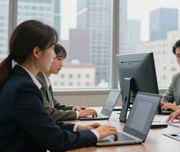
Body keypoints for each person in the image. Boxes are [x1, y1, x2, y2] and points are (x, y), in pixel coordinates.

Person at [0, 20, 118, 151]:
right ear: (37, 52)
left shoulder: (18, 80)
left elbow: (44, 124)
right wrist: (96, 134)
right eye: (51, 48)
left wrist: (77, 127)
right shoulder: (23, 89)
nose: (54, 55)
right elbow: (56, 141)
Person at [36, 44, 97, 120]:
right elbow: (49, 112)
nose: (61, 64)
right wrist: (78, 114)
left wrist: (74, 109)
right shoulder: (38, 81)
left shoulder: (45, 80)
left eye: (62, 60)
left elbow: (55, 106)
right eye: (58, 59)